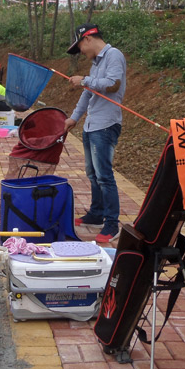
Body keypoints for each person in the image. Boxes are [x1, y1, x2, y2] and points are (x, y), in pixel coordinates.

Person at [64, 23, 127, 244]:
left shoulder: (113, 55)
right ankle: (96, 213)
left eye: (79, 46)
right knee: (92, 173)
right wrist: (73, 118)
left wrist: (85, 80)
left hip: (106, 124)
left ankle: (112, 224)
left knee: (104, 175)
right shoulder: (95, 64)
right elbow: (87, 94)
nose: (81, 52)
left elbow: (112, 84)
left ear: (88, 39)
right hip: (91, 125)